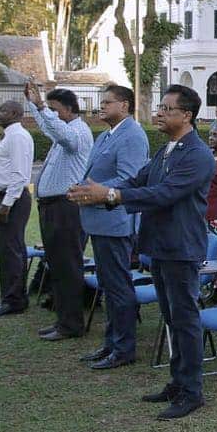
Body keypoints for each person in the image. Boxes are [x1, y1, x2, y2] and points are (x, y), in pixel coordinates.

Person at [69, 85, 216, 420]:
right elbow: (137, 182)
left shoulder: (197, 155)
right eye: (160, 107)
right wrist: (97, 192)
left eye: (167, 108)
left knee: (185, 319)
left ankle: (192, 391)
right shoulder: (168, 149)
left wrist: (109, 196)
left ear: (186, 115)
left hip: (180, 248)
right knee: (171, 317)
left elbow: (163, 194)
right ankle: (178, 382)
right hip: (161, 246)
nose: (159, 113)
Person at [75, 83, 149, 370]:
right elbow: (97, 174)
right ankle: (111, 343)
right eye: (101, 102)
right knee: (108, 285)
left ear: (125, 106)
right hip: (99, 220)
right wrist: (81, 189)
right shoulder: (107, 135)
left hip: (115, 220)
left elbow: (130, 179)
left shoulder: (132, 135)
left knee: (118, 286)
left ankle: (123, 348)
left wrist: (95, 191)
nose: (101, 106)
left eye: (107, 102)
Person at [25, 83, 94, 342]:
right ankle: (63, 319)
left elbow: (60, 133)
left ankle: (71, 323)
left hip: (66, 208)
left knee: (67, 266)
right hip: (53, 207)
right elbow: (48, 127)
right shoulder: (63, 131)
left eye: (54, 110)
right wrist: (34, 104)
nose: (50, 115)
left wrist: (41, 106)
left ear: (67, 109)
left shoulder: (77, 132)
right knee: (57, 265)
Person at [0, 100, 34, 318]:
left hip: (12, 198)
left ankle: (14, 300)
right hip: (4, 197)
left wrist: (6, 204)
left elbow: (19, 175)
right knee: (7, 251)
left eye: (2, 111)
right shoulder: (10, 135)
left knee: (11, 251)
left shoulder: (18, 137)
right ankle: (10, 297)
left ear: (14, 113)